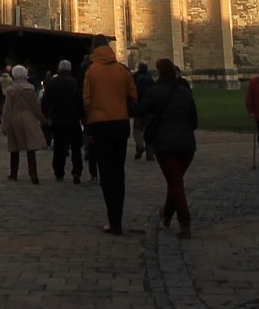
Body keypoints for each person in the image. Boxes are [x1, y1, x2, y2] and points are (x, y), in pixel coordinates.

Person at [137, 57, 200, 235]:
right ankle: (166, 214)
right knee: (175, 182)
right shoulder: (185, 92)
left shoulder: (155, 92)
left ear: (159, 73)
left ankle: (185, 222)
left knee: (175, 184)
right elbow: (194, 120)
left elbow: (139, 110)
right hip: (188, 145)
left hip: (166, 145)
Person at [83, 39, 139, 234]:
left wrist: (87, 121)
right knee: (118, 172)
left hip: (100, 126)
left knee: (106, 175)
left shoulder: (92, 70)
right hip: (120, 125)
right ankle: (119, 216)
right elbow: (133, 96)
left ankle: (114, 221)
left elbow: (86, 100)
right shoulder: (122, 70)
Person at [42, 58, 87, 184]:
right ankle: (77, 172)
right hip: (73, 118)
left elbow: (45, 101)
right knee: (76, 147)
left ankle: (59, 172)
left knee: (59, 147)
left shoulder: (52, 82)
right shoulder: (75, 82)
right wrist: (82, 115)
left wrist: (46, 114)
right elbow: (81, 100)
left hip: (57, 118)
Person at [0, 65, 47, 182]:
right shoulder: (30, 88)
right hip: (28, 118)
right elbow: (36, 108)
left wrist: (4, 125)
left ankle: (13, 173)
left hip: (15, 119)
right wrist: (42, 119)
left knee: (14, 149)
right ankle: (33, 173)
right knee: (31, 149)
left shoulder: (11, 90)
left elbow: (7, 110)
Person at [130, 61, 157, 160]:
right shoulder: (149, 77)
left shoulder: (135, 77)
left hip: (139, 107)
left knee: (137, 129)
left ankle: (140, 145)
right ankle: (150, 154)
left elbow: (131, 91)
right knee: (148, 130)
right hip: (150, 108)